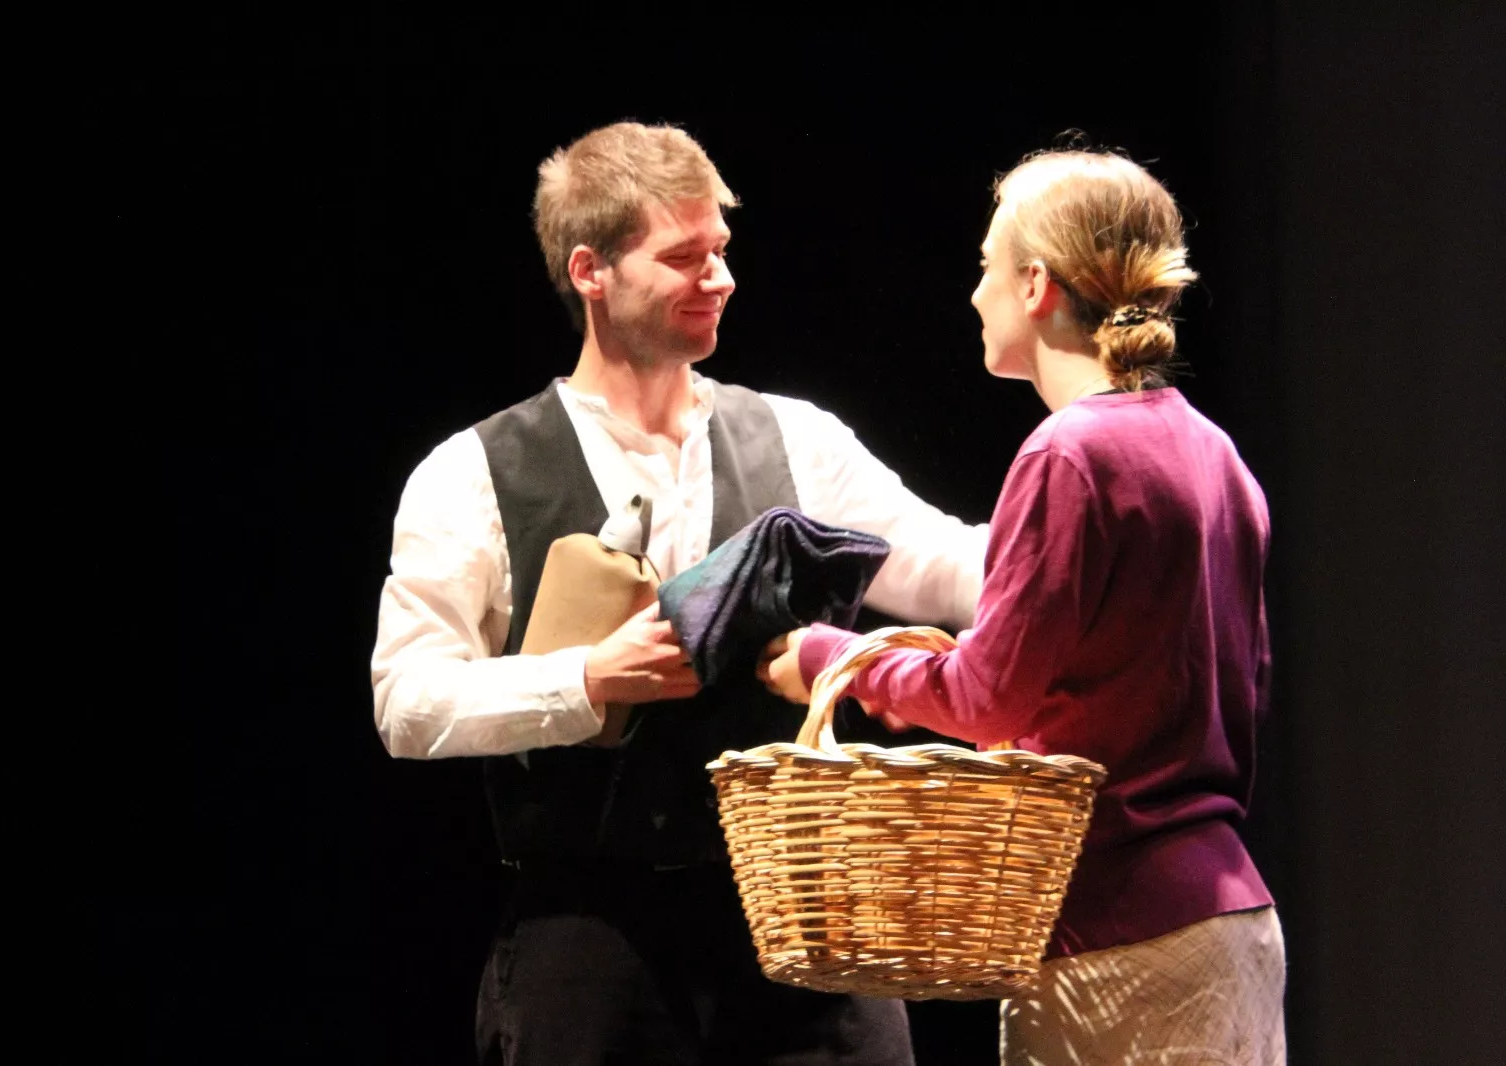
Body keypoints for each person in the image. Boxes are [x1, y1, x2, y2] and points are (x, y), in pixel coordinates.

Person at [371, 121, 991, 1066]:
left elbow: (945, 565)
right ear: (592, 271)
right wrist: (587, 679)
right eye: (684, 256)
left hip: (796, 915)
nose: (721, 278)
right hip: (590, 935)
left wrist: (1086, 534)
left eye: (722, 251)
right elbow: (407, 704)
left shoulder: (796, 440)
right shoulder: (473, 473)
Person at [761, 148, 1286, 1064]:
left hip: (1115, 931)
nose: (974, 294)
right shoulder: (1216, 454)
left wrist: (829, 659)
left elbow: (986, 696)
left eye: (985, 266)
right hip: (1228, 917)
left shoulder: (1068, 455)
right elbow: (1244, 690)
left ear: (1036, 284)